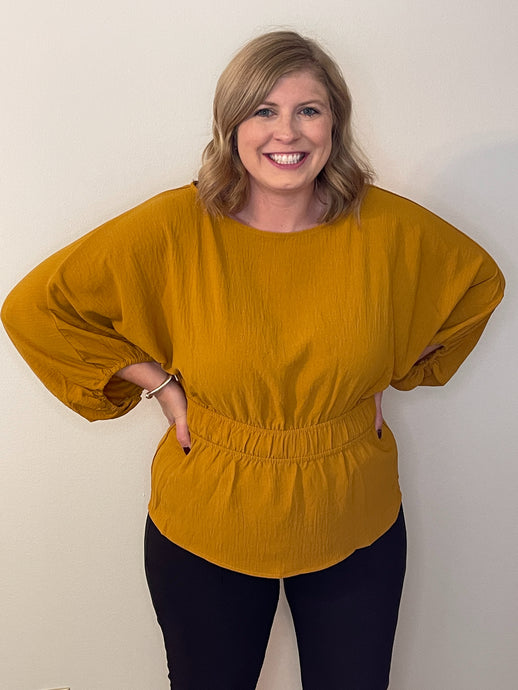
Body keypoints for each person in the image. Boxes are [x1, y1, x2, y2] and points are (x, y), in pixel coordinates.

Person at [1, 30, 504, 690]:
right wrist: (156, 383)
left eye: (309, 110)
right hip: (207, 521)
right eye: (262, 110)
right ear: (230, 124)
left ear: (335, 123)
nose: (286, 132)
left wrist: (394, 367)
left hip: (354, 514)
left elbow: (477, 283)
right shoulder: (174, 228)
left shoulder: (391, 232)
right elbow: (38, 306)